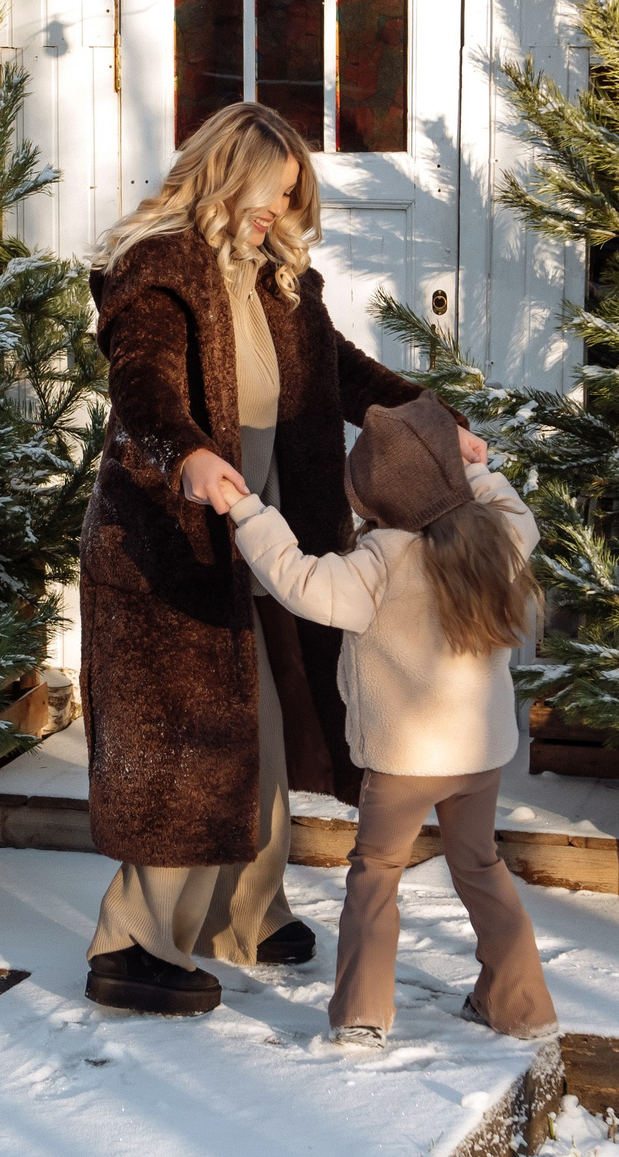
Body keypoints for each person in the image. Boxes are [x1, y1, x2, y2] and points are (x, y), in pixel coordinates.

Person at [79, 101, 485, 1016]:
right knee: (186, 753)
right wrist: (185, 456)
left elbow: (340, 370)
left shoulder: (275, 281)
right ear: (227, 176)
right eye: (270, 197)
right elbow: (140, 385)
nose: (279, 216)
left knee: (258, 733)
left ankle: (242, 912)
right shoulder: (160, 268)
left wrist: (434, 419)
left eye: (290, 202)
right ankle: (129, 946)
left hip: (259, 544)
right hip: (167, 552)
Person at [213, 394, 559, 1046]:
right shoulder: (494, 537)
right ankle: (523, 1004)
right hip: (479, 759)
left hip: (404, 764)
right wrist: (474, 468)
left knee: (376, 874)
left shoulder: (381, 561)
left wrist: (248, 510)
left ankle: (364, 1015)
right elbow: (521, 515)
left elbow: (296, 578)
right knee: (481, 868)